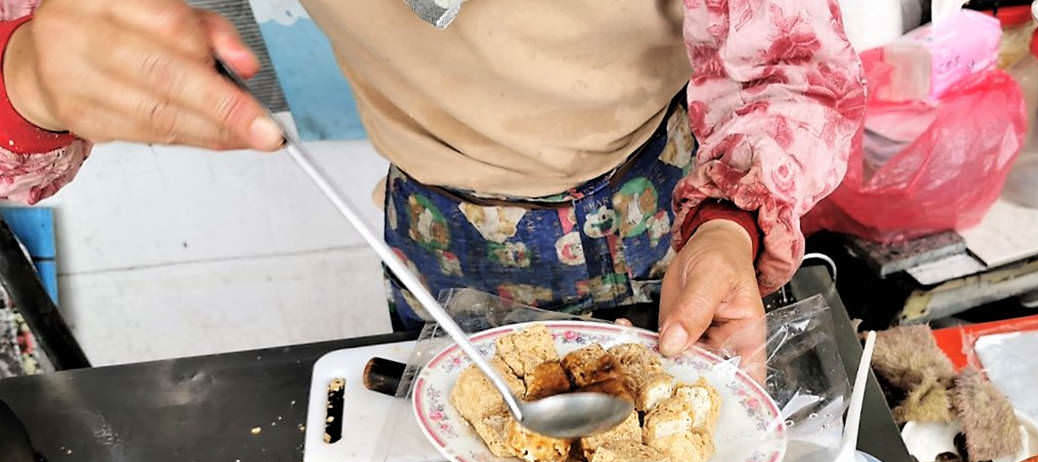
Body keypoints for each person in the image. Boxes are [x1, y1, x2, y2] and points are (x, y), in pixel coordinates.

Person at [0, 0, 864, 363]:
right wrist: (31, 76)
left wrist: (727, 223)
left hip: (664, 214)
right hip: (437, 237)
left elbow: (795, 69)